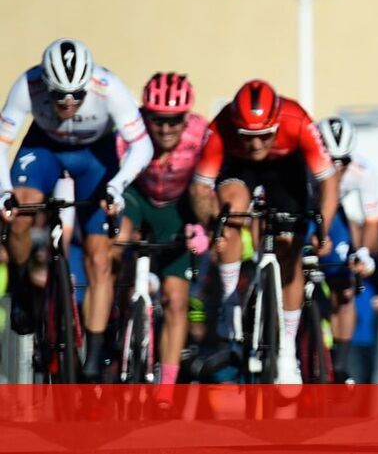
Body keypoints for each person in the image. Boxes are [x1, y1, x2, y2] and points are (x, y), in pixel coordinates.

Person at [0, 39, 152, 381]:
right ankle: (22, 287)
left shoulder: (109, 87)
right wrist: (4, 192)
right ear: (46, 85)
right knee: (20, 208)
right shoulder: (27, 85)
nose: (68, 103)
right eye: (59, 96)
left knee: (99, 257)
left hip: (94, 156)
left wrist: (117, 186)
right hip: (45, 148)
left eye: (77, 96)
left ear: (88, 84)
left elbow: (142, 146)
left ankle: (93, 360)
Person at [189, 79, 337, 385]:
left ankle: (287, 350)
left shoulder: (297, 119)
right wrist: (213, 226)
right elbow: (200, 189)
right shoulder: (221, 127)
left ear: (277, 123)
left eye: (265, 135)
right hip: (238, 168)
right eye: (248, 136)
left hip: (285, 169)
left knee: (290, 252)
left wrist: (323, 228)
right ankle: (230, 302)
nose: (256, 145)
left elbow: (328, 180)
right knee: (230, 213)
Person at [114, 72, 211, 401]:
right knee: (118, 240)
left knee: (175, 299)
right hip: (137, 197)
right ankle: (114, 316)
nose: (166, 129)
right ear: (146, 115)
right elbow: (114, 181)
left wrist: (202, 225)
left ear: (187, 117)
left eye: (175, 121)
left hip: (178, 207)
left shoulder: (201, 134)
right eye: (158, 120)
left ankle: (166, 388)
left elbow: (211, 183)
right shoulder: (129, 130)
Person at [315, 116, 378, 383]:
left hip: (334, 215)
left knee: (346, 288)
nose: (338, 167)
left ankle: (340, 365)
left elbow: (371, 221)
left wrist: (363, 253)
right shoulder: (304, 165)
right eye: (331, 160)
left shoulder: (362, 170)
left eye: (344, 161)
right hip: (304, 208)